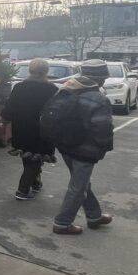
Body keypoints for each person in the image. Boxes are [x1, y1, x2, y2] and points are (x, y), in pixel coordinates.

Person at [50, 59, 114, 235]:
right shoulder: (98, 98)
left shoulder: (65, 90)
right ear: (101, 78)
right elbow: (103, 128)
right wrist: (105, 147)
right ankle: (62, 223)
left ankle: (94, 216)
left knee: (81, 182)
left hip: (65, 145)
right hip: (86, 149)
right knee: (78, 187)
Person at [0, 58, 58, 200]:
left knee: (29, 157)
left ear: (30, 70)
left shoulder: (20, 87)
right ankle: (22, 190)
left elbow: (10, 106)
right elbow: (57, 111)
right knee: (36, 158)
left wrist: (5, 120)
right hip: (42, 130)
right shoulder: (52, 90)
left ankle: (36, 183)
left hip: (22, 128)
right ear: (46, 71)